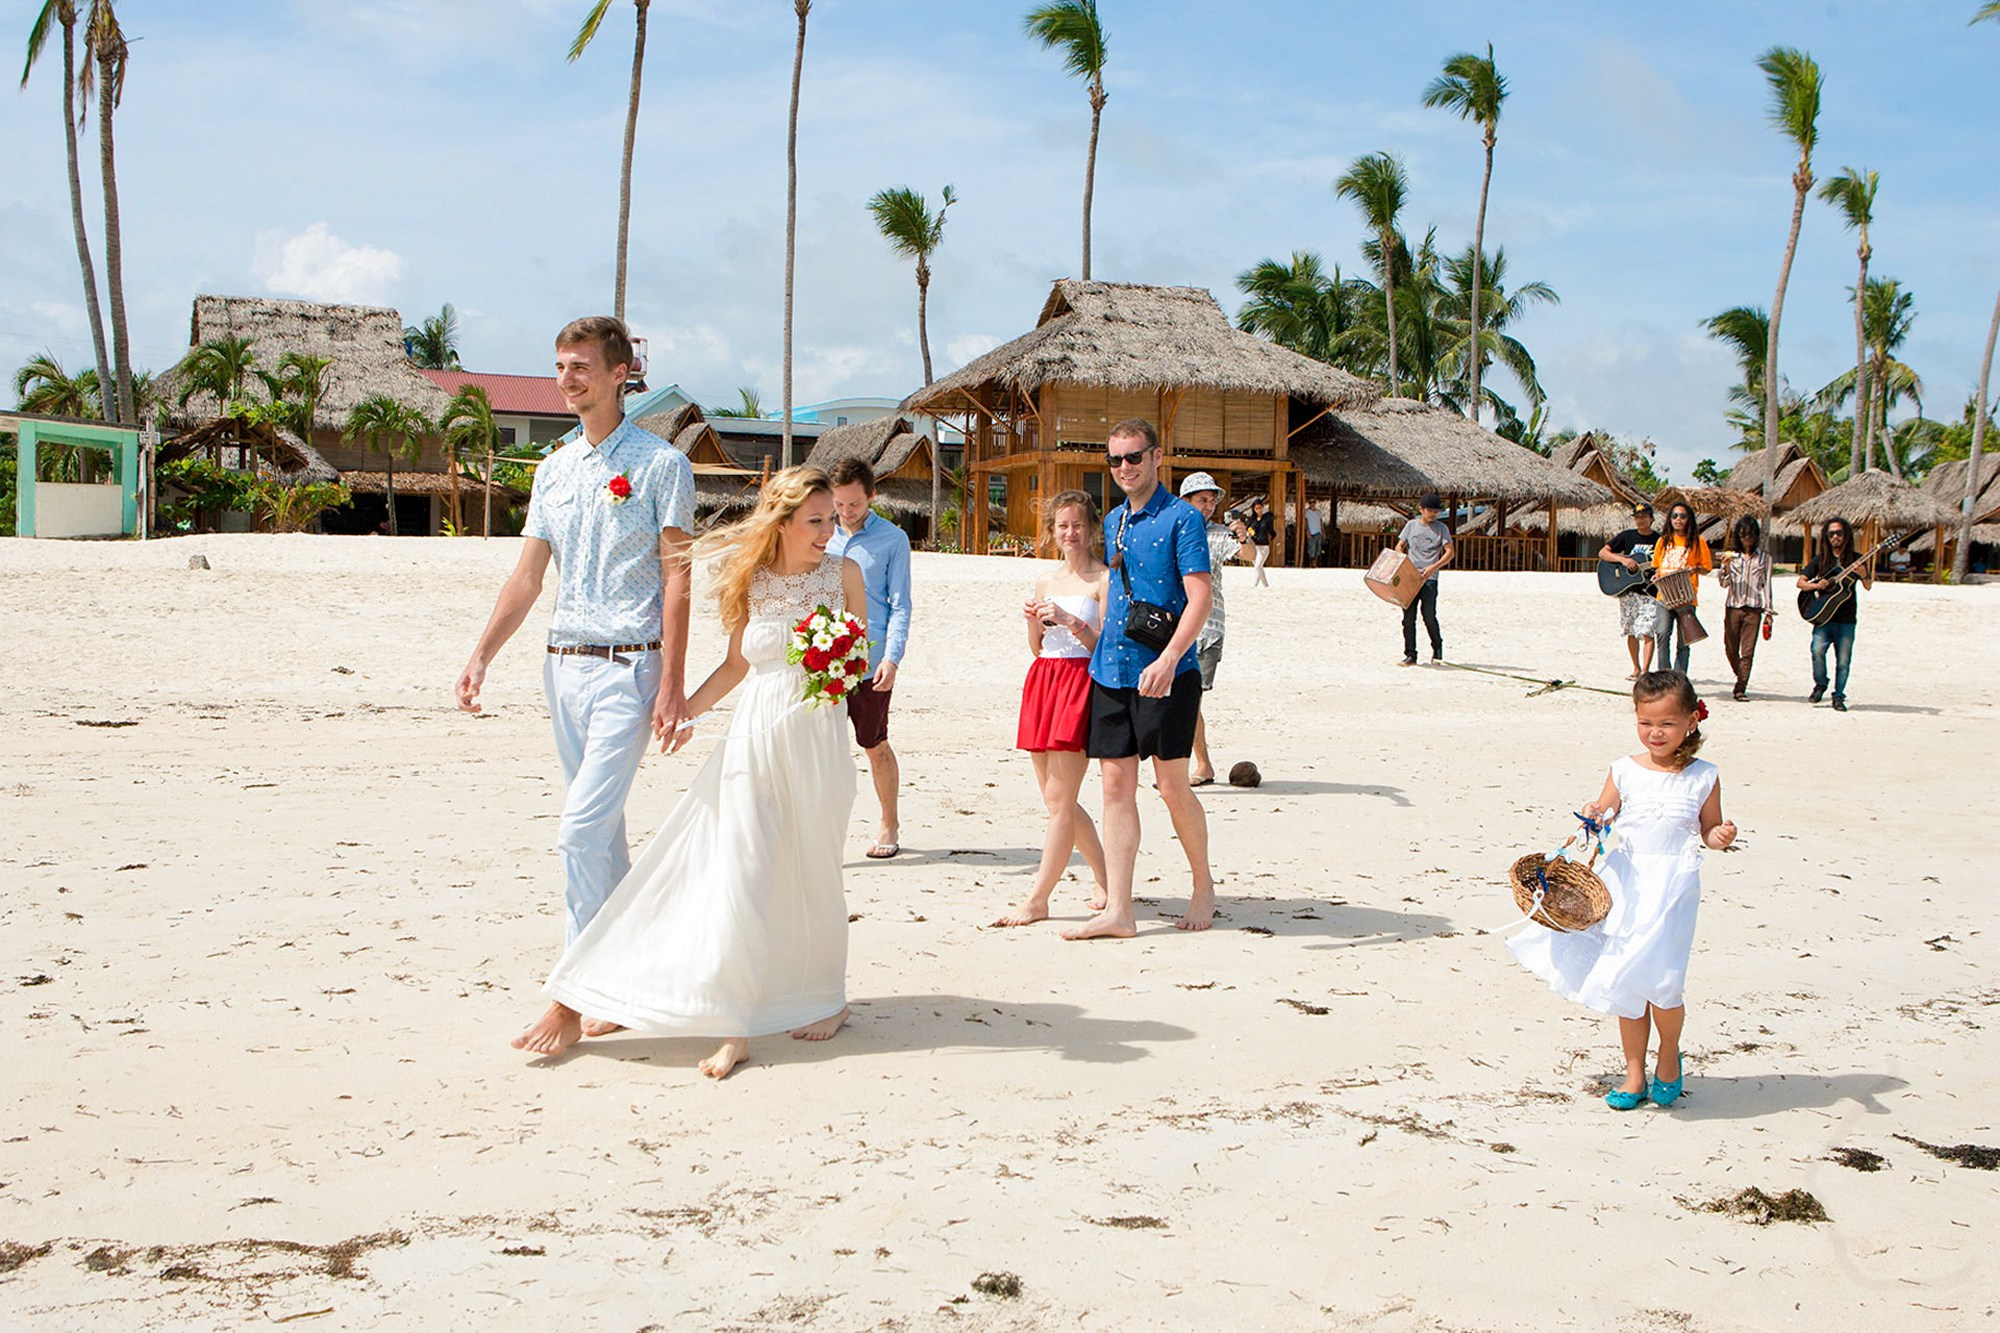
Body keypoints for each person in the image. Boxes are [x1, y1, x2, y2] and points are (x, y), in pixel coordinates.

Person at [519, 468, 868, 1077]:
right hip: (754, 737)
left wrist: (835, 663)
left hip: (816, 734)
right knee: (741, 866)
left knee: (814, 865)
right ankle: (734, 1023)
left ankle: (826, 999)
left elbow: (855, 662)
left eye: (830, 521)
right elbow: (736, 666)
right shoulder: (753, 582)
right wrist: (683, 712)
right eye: (815, 521)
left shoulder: (845, 575)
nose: (826, 532)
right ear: (782, 523)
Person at [457, 316, 695, 1041]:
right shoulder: (552, 468)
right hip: (561, 668)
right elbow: (528, 576)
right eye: (560, 366)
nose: (567, 379)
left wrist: (673, 683)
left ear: (621, 372)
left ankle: (569, 993)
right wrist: (482, 653)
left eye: (581, 366)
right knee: (603, 838)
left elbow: (678, 576)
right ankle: (624, 984)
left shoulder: (660, 465)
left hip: (631, 665)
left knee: (578, 832)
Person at [1507, 670, 1737, 1111]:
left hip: (1673, 887)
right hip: (1627, 883)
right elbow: (1604, 811)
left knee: (1665, 983)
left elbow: (1708, 829)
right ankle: (1634, 1072)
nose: (1655, 733)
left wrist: (1720, 836)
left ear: (1691, 720)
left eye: (1667, 724)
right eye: (1646, 723)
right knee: (1627, 977)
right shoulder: (1625, 769)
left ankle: (1668, 1054)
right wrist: (1594, 813)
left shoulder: (1704, 776)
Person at [1064, 418, 1215, 940]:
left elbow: (1200, 598)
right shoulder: (1112, 522)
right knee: (1113, 785)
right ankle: (1120, 909)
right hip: (1111, 667)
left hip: (1169, 672)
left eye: (1134, 457)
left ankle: (1202, 885)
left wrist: (1172, 658)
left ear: (1156, 457)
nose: (1124, 468)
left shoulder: (1182, 520)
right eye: (1115, 460)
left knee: (1172, 786)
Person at [994, 490, 1110, 927]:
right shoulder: (1046, 580)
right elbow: (1036, 648)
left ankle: (1039, 898)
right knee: (1054, 799)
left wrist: (1073, 621)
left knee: (1062, 799)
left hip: (1080, 680)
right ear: (1052, 531)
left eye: (1077, 524)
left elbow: (1104, 648)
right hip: (1044, 680)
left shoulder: (1103, 579)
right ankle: (1106, 879)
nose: (1070, 533)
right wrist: (1032, 623)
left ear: (1092, 528)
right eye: (1062, 526)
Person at [826, 458, 913, 858]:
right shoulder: (819, 534)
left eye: (854, 504)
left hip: (872, 659)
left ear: (871, 496)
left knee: (874, 743)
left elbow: (901, 605)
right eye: (840, 504)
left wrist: (892, 659)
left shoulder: (893, 539)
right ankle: (821, 831)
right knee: (820, 749)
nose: (846, 513)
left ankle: (888, 822)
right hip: (822, 660)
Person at [1177, 472, 1248, 785]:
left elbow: (1250, 556)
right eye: (1202, 499)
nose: (1208, 506)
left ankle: (1198, 766)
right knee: (1177, 699)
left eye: (1211, 501)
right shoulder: (1174, 532)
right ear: (1186, 501)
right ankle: (1193, 765)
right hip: (1174, 625)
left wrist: (1243, 536)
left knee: (1189, 699)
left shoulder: (1220, 534)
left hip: (1208, 627)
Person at [1797, 515, 1870, 712]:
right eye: (1831, 534)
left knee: (1843, 661)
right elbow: (1800, 582)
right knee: (1817, 651)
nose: (1835, 537)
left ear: (1846, 535)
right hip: (1823, 617)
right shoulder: (1821, 560)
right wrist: (1816, 584)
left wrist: (1863, 575)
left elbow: (1868, 586)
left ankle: (1838, 696)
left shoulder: (1856, 559)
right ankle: (1821, 683)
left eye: (1839, 533)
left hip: (1846, 618)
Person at [1600, 503, 1663, 680]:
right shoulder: (1627, 536)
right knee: (1631, 630)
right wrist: (1622, 560)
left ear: (1651, 518)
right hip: (1628, 591)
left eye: (1644, 516)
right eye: (1637, 516)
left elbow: (1663, 561)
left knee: (1648, 630)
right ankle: (1636, 668)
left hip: (1650, 591)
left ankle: (1645, 670)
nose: (1640, 520)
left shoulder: (1659, 540)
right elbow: (1603, 553)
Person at [1715, 515, 1774, 702]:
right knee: (1730, 648)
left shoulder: (1765, 558)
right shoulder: (1733, 557)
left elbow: (1767, 585)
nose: (1746, 539)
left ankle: (1740, 687)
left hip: (1754, 609)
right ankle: (1739, 674)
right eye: (1743, 535)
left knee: (1747, 651)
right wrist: (1724, 568)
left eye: (1750, 535)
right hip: (1733, 606)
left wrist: (1769, 612)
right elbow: (1724, 584)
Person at [1652, 501, 1712, 675]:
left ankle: (1679, 676)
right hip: (1664, 596)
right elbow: (1658, 566)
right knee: (1662, 634)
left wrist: (1695, 569)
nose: (1678, 519)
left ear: (1689, 519)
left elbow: (1706, 568)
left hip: (1686, 596)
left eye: (1683, 516)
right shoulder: (1662, 541)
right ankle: (1664, 674)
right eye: (1675, 516)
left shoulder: (1698, 542)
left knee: (1684, 641)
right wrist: (1657, 575)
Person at [1394, 492, 1454, 666]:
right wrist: (1402, 560)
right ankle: (1411, 654)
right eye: (1430, 511)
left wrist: (1433, 567)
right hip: (1410, 578)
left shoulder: (1442, 528)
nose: (1433, 514)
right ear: (1421, 509)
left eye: (1436, 511)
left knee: (1428, 615)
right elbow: (1400, 545)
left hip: (1430, 578)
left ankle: (1437, 649)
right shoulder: (1411, 525)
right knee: (1408, 618)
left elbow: (1450, 552)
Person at [1247, 499, 1276, 587]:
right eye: (1257, 508)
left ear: (1263, 507)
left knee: (1257, 566)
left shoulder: (1267, 518)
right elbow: (1248, 529)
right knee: (1258, 567)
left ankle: (1254, 585)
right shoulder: (1252, 520)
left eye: (1260, 508)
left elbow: (1271, 530)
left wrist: (1273, 537)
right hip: (1253, 546)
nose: (1259, 510)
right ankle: (1266, 585)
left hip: (1263, 546)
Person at [1303, 500, 1325, 566]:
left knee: (1318, 549)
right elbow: (1305, 522)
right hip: (1311, 532)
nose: (1312, 504)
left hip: (1318, 532)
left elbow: (1321, 522)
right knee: (1311, 549)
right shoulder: (1306, 512)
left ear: (1315, 503)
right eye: (1310, 502)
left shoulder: (1319, 512)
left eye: (1313, 502)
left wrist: (1323, 532)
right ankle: (1311, 563)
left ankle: (1315, 563)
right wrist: (1307, 531)